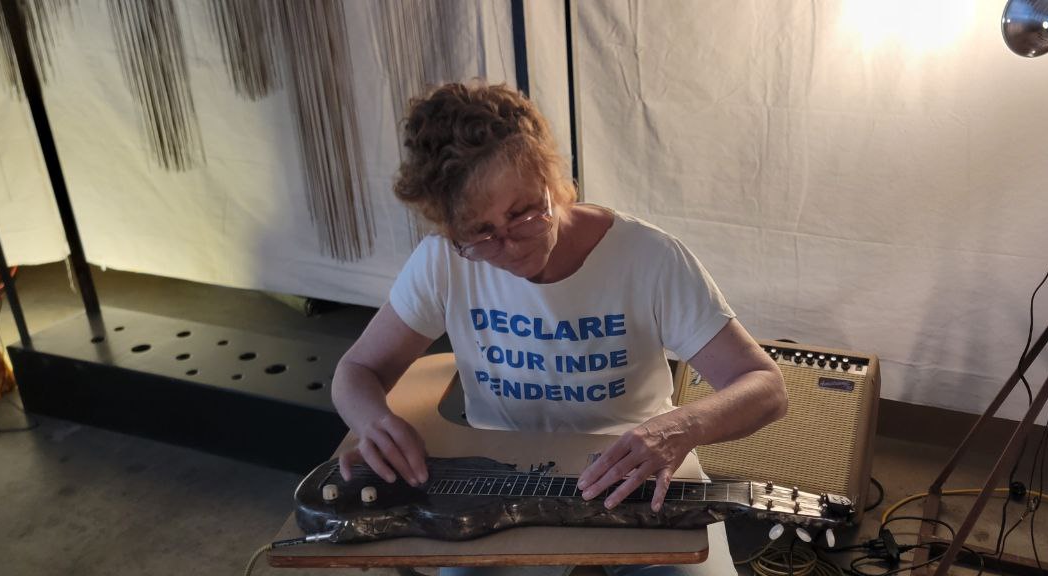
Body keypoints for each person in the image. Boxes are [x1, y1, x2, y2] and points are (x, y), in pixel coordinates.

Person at [330, 81, 787, 576]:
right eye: (481, 233)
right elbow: (357, 370)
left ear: (551, 179)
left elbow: (765, 387)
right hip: (498, 480)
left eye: (522, 212)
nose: (511, 246)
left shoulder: (647, 257)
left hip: (636, 471)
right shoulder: (443, 261)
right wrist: (375, 423)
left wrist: (680, 429)